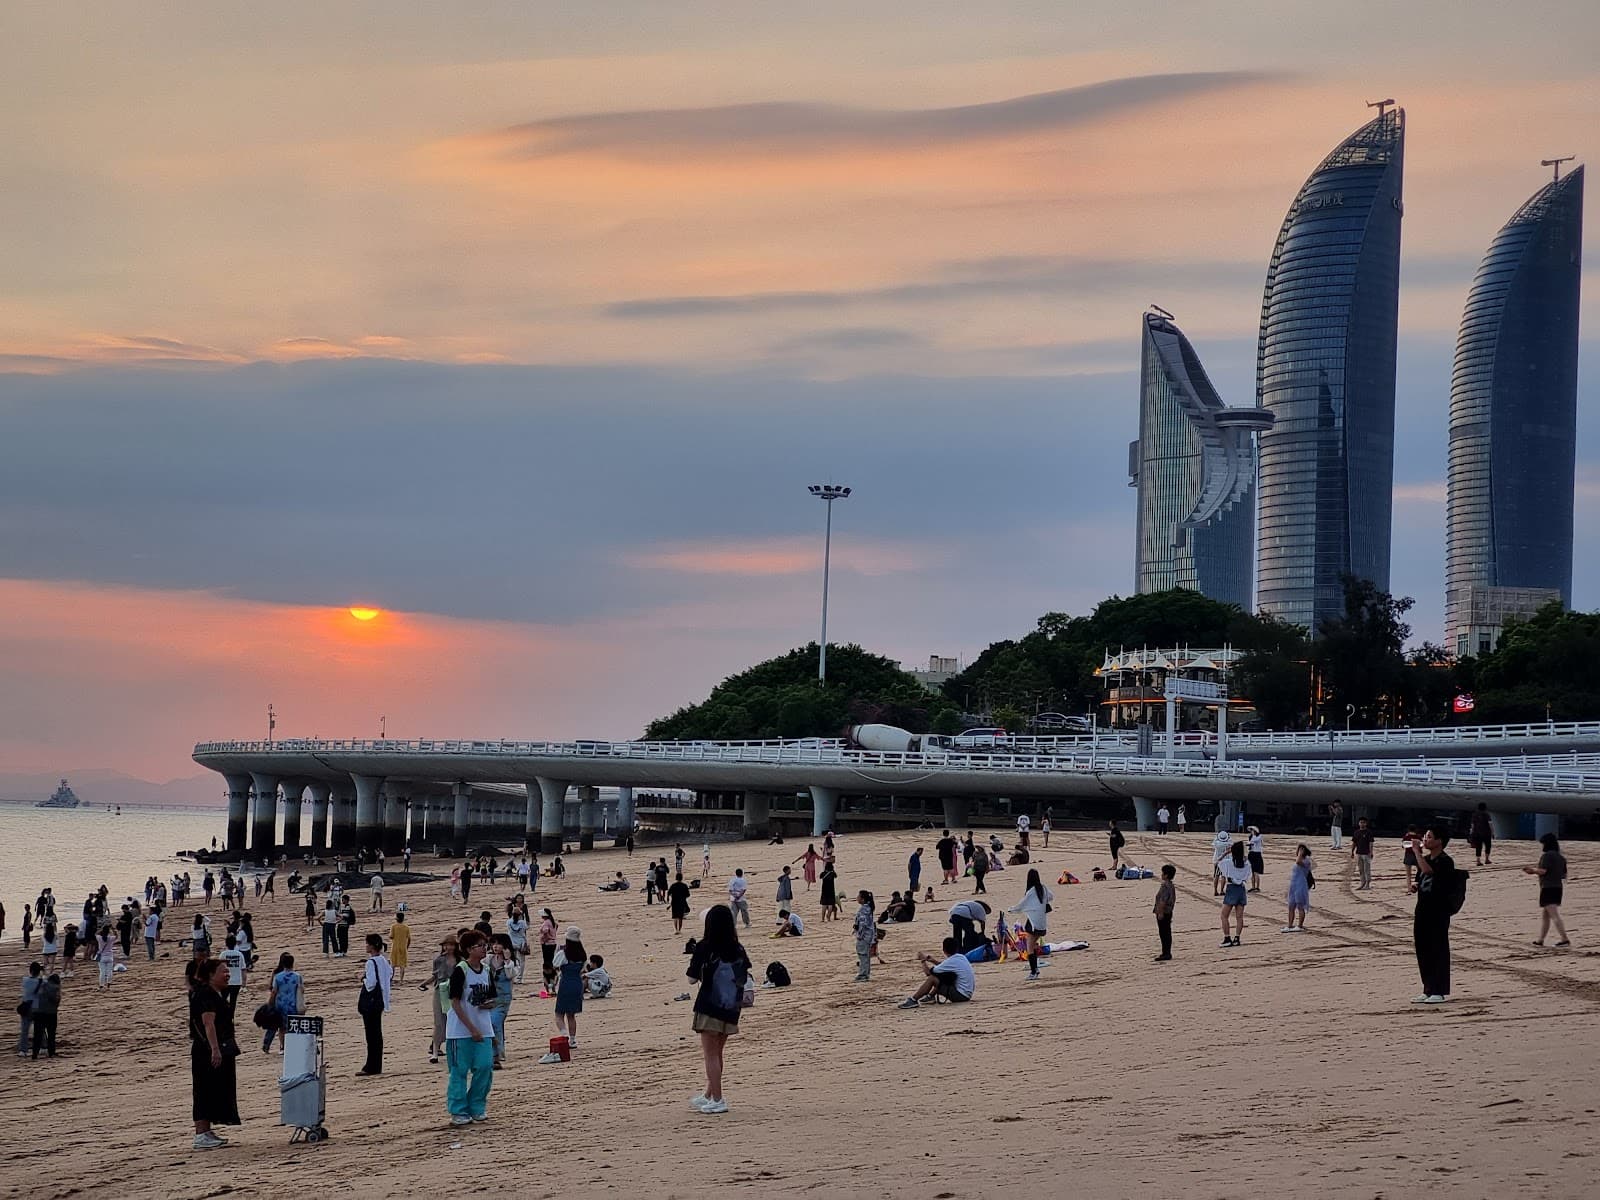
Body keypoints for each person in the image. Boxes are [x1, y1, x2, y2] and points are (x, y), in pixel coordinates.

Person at [686, 903, 750, 1115]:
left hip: (710, 1005)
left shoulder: (705, 946)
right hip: (732, 1006)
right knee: (717, 1052)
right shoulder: (737, 947)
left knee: (710, 1055)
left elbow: (691, 978)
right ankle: (709, 1094)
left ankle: (718, 1098)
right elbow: (744, 973)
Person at [445, 930, 496, 1125]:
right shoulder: (461, 970)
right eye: (480, 946)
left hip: (484, 1028)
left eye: (485, 945)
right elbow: (455, 1003)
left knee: (485, 1067)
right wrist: (471, 1028)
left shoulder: (486, 970)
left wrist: (488, 1004)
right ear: (468, 949)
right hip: (460, 1031)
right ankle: (458, 1110)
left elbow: (491, 996)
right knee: (459, 1071)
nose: (484, 949)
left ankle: (477, 1106)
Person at [190, 957, 240, 1149]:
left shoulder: (213, 993)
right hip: (206, 1051)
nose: (227, 974)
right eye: (223, 971)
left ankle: (206, 1131)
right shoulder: (206, 995)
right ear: (211, 975)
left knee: (213, 1089)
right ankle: (201, 1134)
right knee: (204, 1089)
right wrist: (215, 1050)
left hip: (211, 1049)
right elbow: (208, 1024)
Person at [1409, 828, 1460, 1003]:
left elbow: (1429, 871)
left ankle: (1439, 990)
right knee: (1423, 950)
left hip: (1438, 911)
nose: (1425, 839)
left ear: (1439, 841)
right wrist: (1415, 885)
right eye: (1425, 837)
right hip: (1422, 909)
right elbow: (1421, 875)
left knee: (1438, 950)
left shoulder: (1445, 861)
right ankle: (1428, 988)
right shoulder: (1427, 859)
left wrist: (1417, 852)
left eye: (1429, 837)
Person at [896, 936, 976, 1009]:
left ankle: (913, 1000)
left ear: (944, 950)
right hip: (966, 993)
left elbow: (928, 973)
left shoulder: (950, 961)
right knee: (943, 976)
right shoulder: (961, 957)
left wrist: (923, 960)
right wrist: (933, 961)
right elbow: (944, 967)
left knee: (932, 979)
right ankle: (930, 997)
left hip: (961, 996)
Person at [1525, 833, 1571, 948]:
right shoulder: (1561, 857)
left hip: (1548, 887)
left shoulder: (1547, 856)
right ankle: (1540, 940)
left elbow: (1543, 871)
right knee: (1546, 915)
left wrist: (1532, 871)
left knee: (1554, 915)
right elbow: (1564, 875)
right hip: (1558, 888)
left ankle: (1564, 939)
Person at [358, 933, 393, 1076]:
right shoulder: (383, 960)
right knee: (377, 1035)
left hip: (372, 1002)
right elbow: (390, 974)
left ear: (372, 946)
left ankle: (371, 1066)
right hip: (381, 1001)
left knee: (371, 1035)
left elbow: (371, 984)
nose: (366, 946)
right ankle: (376, 1065)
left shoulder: (371, 963)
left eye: (367, 944)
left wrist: (362, 978)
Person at [1008, 869, 1053, 981]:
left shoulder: (1031, 892)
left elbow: (1022, 904)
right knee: (1031, 946)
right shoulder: (1043, 888)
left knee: (1029, 948)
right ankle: (1035, 969)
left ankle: (1034, 971)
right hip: (1041, 923)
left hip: (1033, 923)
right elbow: (1051, 896)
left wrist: (1011, 910)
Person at [424, 935, 459, 1065]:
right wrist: (424, 983)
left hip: (455, 993)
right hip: (440, 991)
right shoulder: (439, 960)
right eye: (446, 945)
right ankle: (435, 1051)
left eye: (451, 945)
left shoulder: (460, 960)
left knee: (454, 1021)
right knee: (439, 1022)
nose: (448, 947)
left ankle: (453, 1049)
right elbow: (435, 976)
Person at [552, 927, 587, 1050]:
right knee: (571, 1015)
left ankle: (564, 1034)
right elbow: (583, 969)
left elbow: (555, 964)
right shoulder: (582, 954)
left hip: (566, 983)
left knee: (559, 1013)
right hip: (577, 983)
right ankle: (572, 1040)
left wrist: (558, 950)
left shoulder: (563, 953)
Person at [263, 953, 303, 1053]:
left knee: (281, 1027)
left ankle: (283, 1047)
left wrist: (270, 1003)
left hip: (280, 1004)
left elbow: (274, 991)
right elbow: (301, 990)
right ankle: (293, 1045)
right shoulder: (297, 976)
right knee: (293, 1026)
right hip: (293, 1004)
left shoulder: (278, 976)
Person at [1215, 841, 1251, 947]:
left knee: (1224, 915)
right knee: (1239, 917)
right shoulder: (1246, 863)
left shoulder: (1229, 862)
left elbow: (1218, 861)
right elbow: (1247, 874)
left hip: (1232, 888)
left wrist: (1226, 852)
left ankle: (1227, 938)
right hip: (1241, 888)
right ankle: (1237, 938)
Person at [29, 971, 60, 1059]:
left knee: (38, 1034)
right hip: (51, 1013)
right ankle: (51, 1052)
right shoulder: (56, 988)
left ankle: (35, 1053)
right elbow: (56, 1001)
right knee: (51, 1034)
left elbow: (34, 998)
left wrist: (34, 1010)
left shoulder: (40, 985)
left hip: (38, 1013)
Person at [1283, 844, 1313, 932]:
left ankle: (1300, 925)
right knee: (1291, 906)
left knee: (1300, 906)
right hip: (1294, 884)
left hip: (1301, 885)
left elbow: (1298, 862)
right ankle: (1290, 925)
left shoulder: (1307, 860)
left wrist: (1300, 853)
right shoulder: (1301, 860)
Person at [17, 962, 43, 1057]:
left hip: (26, 1006)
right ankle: (43, 1047)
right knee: (39, 1027)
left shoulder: (25, 980)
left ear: (30, 971)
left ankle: (23, 1050)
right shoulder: (41, 981)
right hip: (36, 1006)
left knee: (25, 1030)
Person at [1153, 864, 1177, 961]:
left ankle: (1166, 953)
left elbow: (1162, 901)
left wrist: (1160, 913)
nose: (1161, 875)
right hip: (1169, 911)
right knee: (1167, 932)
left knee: (1164, 933)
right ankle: (1166, 952)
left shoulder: (1165, 886)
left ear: (1166, 875)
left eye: (1163, 873)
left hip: (1164, 912)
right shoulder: (1171, 885)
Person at [219, 935, 247, 1015]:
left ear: (226, 944)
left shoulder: (223, 954)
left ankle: (223, 1016)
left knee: (222, 1000)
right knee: (233, 1001)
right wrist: (244, 983)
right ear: (235, 944)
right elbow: (243, 969)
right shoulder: (239, 954)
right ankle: (231, 1016)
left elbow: (219, 969)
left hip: (225, 981)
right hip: (236, 981)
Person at [852, 891, 876, 982]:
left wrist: (859, 935)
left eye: (858, 896)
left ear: (862, 899)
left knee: (863, 955)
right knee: (865, 955)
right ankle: (865, 973)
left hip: (864, 936)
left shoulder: (864, 909)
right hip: (868, 935)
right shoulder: (868, 908)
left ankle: (863, 974)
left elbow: (863, 924)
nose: (857, 897)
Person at [1350, 818, 1377, 890]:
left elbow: (1371, 843)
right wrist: (1352, 852)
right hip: (1359, 853)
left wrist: (1371, 852)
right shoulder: (1356, 832)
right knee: (1361, 869)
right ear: (1359, 823)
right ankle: (1362, 883)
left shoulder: (1368, 832)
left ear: (1366, 823)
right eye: (1361, 822)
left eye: (1363, 822)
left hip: (1366, 853)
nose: (1362, 824)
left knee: (1367, 869)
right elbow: (1354, 843)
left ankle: (1367, 884)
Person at [389, 910, 412, 983]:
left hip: (395, 947)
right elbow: (409, 939)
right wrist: (407, 947)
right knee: (402, 965)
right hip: (403, 948)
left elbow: (391, 936)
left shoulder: (393, 926)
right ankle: (401, 980)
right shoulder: (406, 927)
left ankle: (391, 979)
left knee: (393, 964)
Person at [1247, 826, 1266, 892]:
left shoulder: (1259, 836)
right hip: (1251, 854)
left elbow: (1254, 841)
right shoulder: (1251, 837)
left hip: (1257, 854)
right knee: (1252, 872)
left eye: (1252, 830)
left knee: (1256, 872)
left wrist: (1250, 842)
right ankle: (1253, 887)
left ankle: (1257, 887)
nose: (1251, 832)